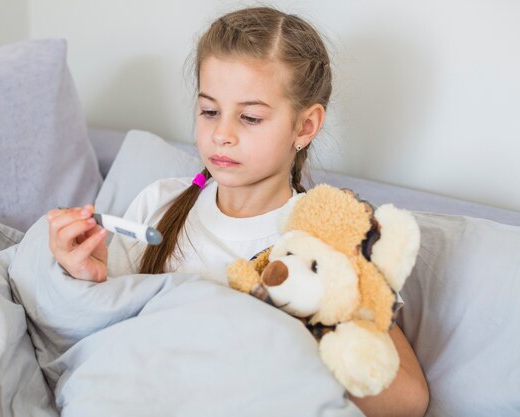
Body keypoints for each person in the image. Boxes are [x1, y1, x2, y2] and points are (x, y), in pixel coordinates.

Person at [46, 6, 429, 416]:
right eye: (209, 111)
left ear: (304, 126)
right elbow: (94, 342)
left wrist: (305, 323)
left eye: (249, 117)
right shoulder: (158, 204)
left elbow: (407, 400)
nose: (221, 134)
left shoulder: (325, 244)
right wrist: (82, 277)